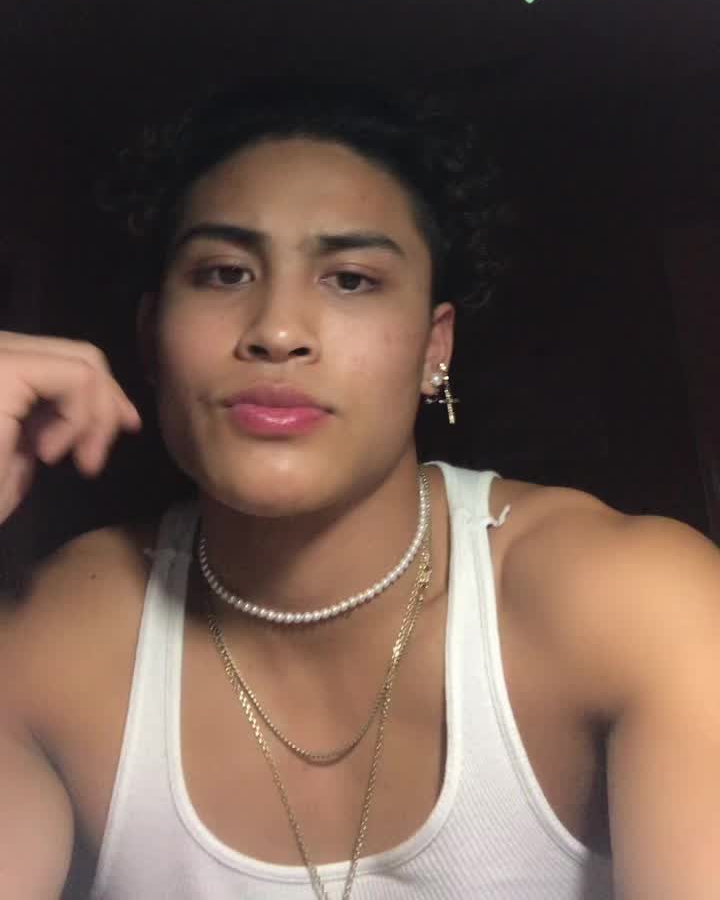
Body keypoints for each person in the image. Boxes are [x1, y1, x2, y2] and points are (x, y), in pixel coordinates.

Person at [0, 79, 714, 900]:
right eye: (224, 272)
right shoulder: (47, 644)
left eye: (350, 280)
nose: (276, 331)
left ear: (434, 348)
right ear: (151, 335)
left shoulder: (635, 602)